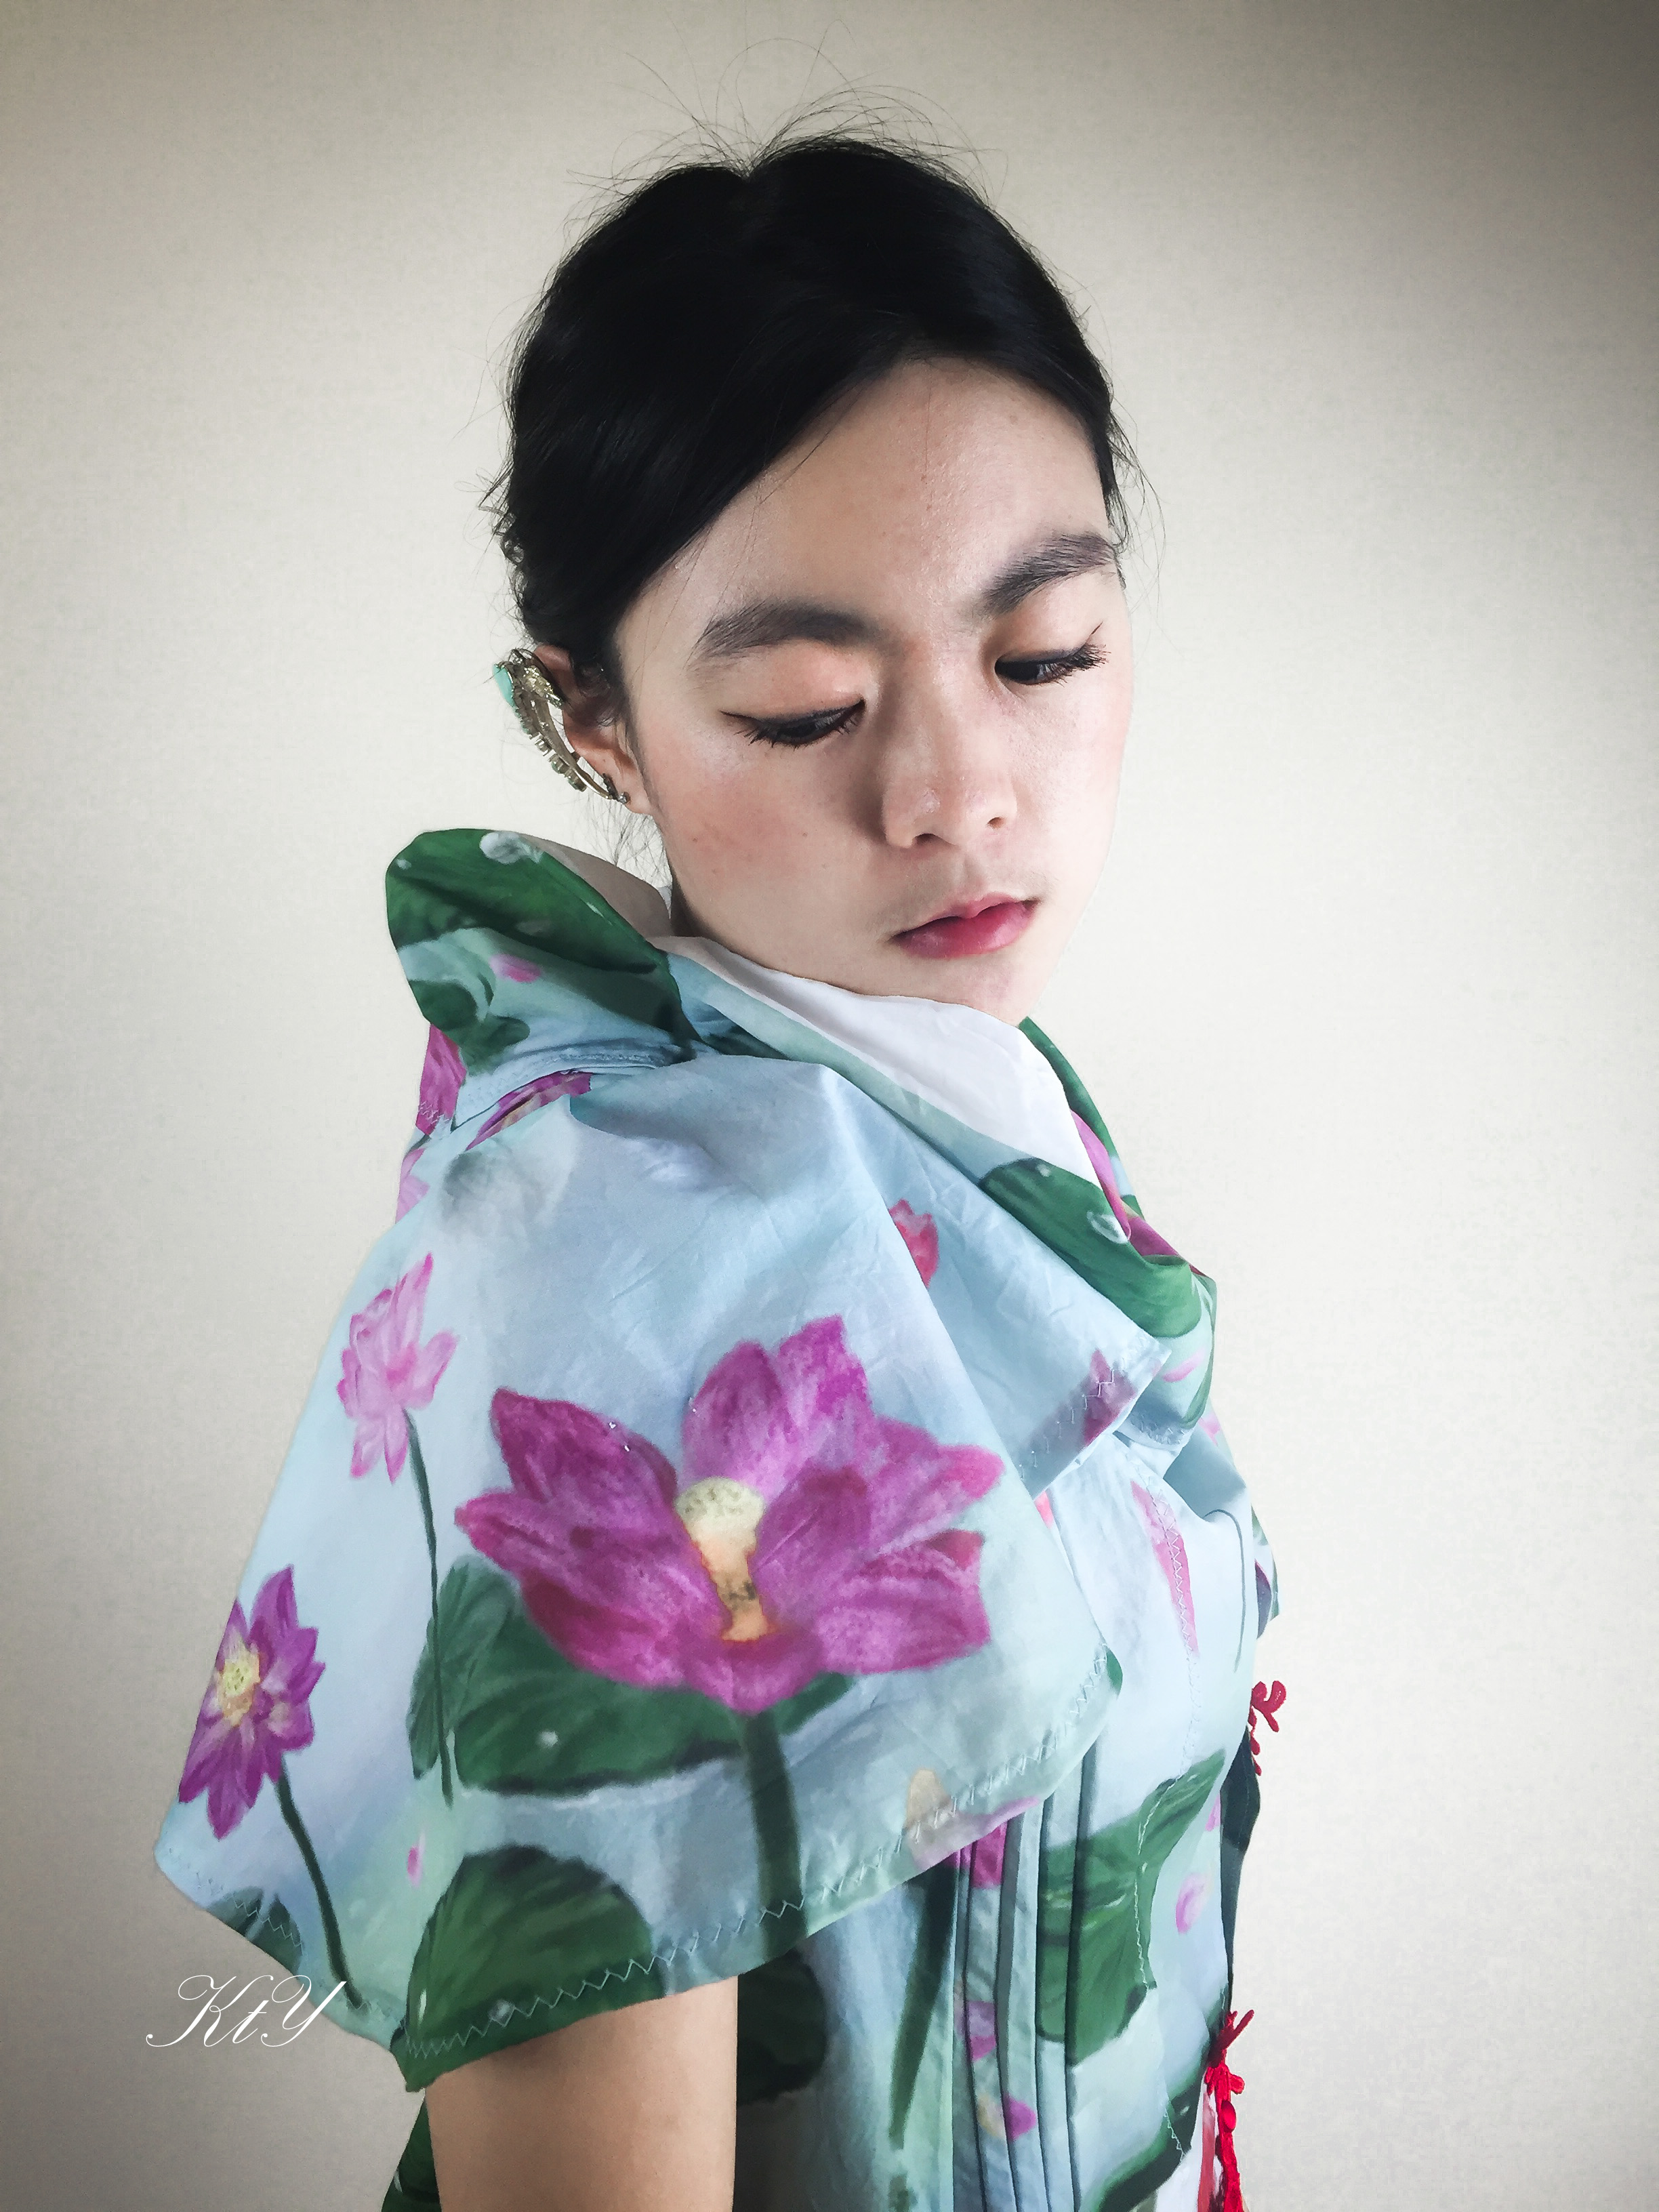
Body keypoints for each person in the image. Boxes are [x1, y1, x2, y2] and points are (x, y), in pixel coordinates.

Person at [154, 130, 1279, 2212]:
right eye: (804, 705)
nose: (957, 792)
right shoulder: (612, 1268)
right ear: (589, 721)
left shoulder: (951, 1085)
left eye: (1044, 653)